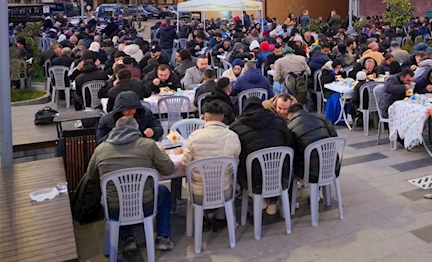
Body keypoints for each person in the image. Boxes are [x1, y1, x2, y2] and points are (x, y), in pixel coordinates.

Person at [85, 116, 175, 252]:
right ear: (136, 128)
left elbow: (91, 176)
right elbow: (168, 169)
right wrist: (162, 154)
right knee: (163, 192)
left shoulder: (100, 149)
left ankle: (128, 239)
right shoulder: (148, 145)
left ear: (115, 129)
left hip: (114, 210)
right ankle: (163, 237)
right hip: (146, 205)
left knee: (114, 197)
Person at [178, 100, 242, 231]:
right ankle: (220, 217)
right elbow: (235, 161)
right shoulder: (233, 136)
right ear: (222, 117)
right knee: (226, 177)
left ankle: (202, 218)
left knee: (190, 178)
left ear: (205, 118)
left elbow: (185, 162)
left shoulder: (194, 137)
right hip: (224, 190)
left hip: (199, 193)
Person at [230, 97, 293, 216]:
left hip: (251, 178)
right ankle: (273, 201)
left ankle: (257, 198)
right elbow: (289, 143)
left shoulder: (236, 126)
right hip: (280, 175)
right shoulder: (279, 121)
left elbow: (235, 153)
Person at [286, 102, 338, 182]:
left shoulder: (290, 127)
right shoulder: (321, 117)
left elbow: (292, 152)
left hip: (312, 172)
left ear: (290, 116)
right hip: (334, 166)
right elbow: (334, 137)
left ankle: (292, 192)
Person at [96, 90, 164, 145]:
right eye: (127, 112)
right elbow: (99, 141)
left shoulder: (145, 114)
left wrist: (153, 131)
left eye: (132, 111)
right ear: (120, 110)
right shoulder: (107, 119)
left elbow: (159, 129)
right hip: (118, 149)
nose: (130, 113)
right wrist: (112, 133)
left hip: (140, 147)